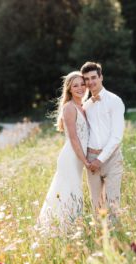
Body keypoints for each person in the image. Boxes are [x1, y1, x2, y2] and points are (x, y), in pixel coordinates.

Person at [38, 71, 89, 232]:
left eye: (82, 84)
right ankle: (62, 228)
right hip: (71, 157)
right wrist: (86, 161)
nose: (80, 88)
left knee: (74, 191)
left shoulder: (83, 106)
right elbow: (74, 139)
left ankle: (71, 227)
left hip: (78, 157)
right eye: (75, 85)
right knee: (68, 191)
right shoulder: (69, 108)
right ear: (69, 89)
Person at [81, 61, 125, 222]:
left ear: (101, 77)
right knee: (96, 204)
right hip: (91, 160)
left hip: (112, 158)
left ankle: (115, 240)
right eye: (86, 79)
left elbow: (117, 136)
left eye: (93, 77)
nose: (90, 82)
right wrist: (88, 159)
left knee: (113, 202)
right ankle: (100, 238)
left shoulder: (115, 101)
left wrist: (101, 160)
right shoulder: (85, 106)